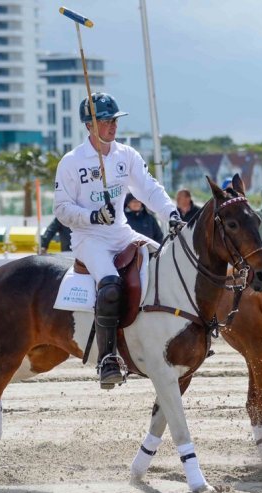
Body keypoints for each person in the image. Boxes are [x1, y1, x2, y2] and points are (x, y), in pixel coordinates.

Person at [54, 92, 180, 387]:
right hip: (89, 238)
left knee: (166, 263)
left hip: (121, 232)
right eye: (106, 120)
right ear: (89, 124)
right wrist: (93, 216)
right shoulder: (71, 162)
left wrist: (171, 213)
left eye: (114, 120)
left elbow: (149, 189)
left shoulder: (127, 155)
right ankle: (107, 359)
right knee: (110, 285)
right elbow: (60, 209)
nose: (113, 125)